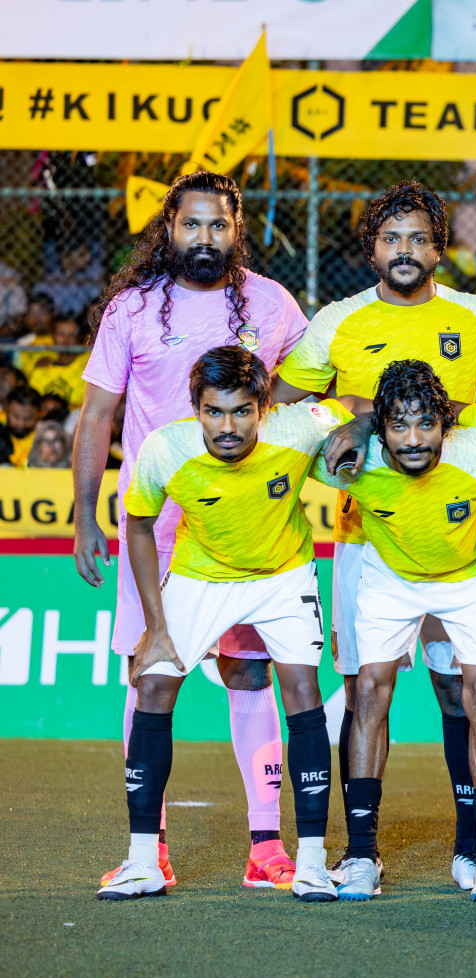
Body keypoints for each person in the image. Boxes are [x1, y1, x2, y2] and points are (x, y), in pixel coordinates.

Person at [73, 171, 310, 892]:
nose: (204, 238)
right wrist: (84, 513)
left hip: (247, 530)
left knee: (249, 669)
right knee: (151, 673)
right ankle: (151, 848)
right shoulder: (133, 309)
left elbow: (305, 386)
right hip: (158, 530)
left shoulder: (270, 303)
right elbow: (96, 415)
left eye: (218, 225)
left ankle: (266, 846)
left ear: (236, 228)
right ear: (168, 227)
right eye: (191, 224)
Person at [272, 180, 476, 892]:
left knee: (455, 691)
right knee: (365, 688)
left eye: (418, 239)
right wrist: (344, 411)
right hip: (365, 538)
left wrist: (389, 417)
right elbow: (289, 404)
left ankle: (475, 848)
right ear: (371, 247)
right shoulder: (339, 321)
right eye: (391, 239)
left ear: (439, 247)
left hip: (458, 536)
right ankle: (361, 852)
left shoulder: (474, 316)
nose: (404, 251)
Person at [97, 348, 338, 902]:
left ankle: (310, 862)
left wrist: (356, 428)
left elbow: (348, 407)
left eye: (242, 412)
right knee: (152, 685)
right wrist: (155, 626)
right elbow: (138, 526)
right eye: (213, 412)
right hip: (201, 576)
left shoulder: (301, 426)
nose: (227, 427)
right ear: (195, 409)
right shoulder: (166, 448)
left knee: (301, 689)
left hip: (282, 575)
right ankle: (143, 861)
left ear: (264, 409)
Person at [311, 361, 476, 902]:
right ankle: (360, 855)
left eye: (427, 424)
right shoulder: (352, 462)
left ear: (446, 426)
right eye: (399, 426)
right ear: (380, 430)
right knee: (369, 691)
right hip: (391, 577)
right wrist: (355, 422)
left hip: (469, 578)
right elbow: (283, 430)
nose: (414, 439)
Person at [5, 385, 43, 467]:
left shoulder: (45, 436)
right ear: (7, 409)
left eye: (27, 419)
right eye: (15, 416)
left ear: (40, 414)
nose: (20, 423)